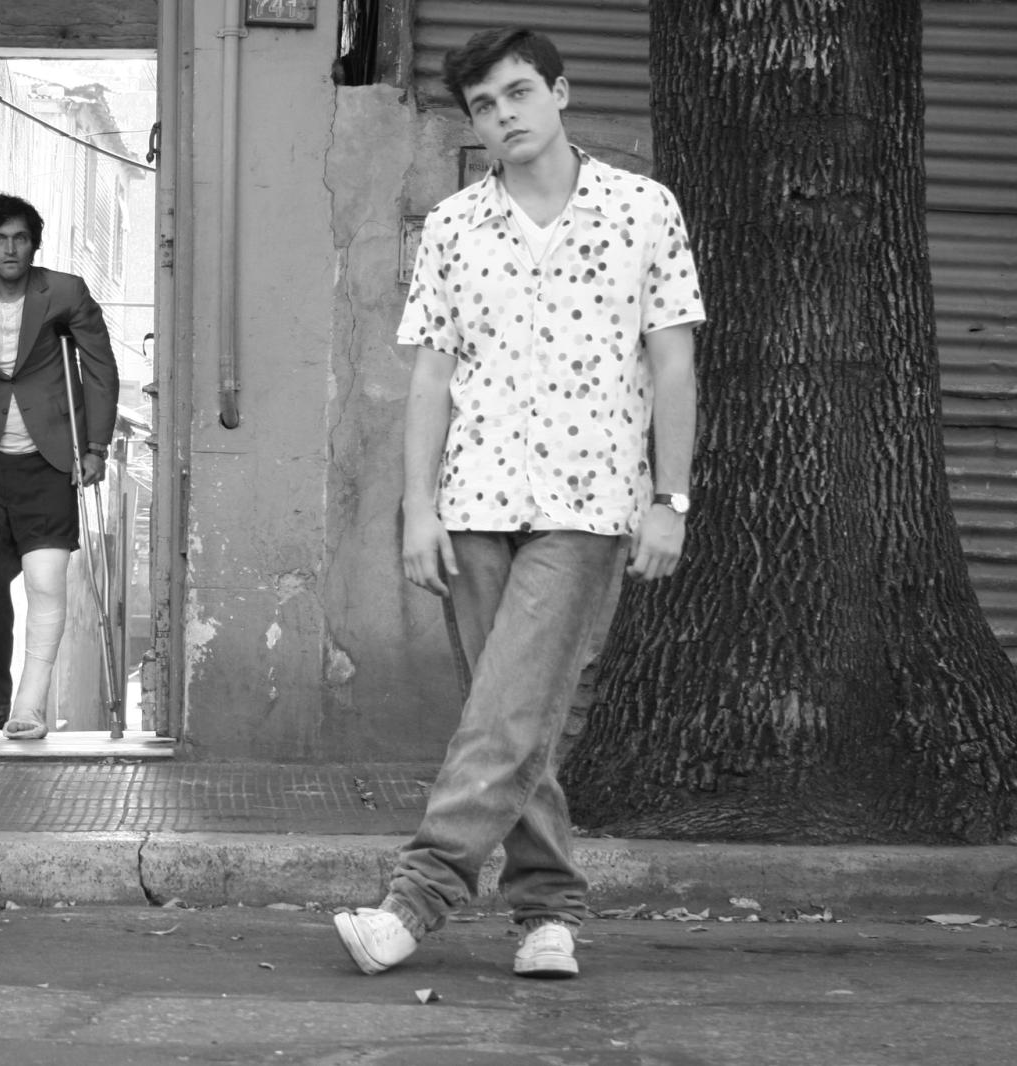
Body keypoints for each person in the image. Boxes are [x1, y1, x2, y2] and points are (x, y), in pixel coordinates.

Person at [334, 28, 705, 978]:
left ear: (560, 93)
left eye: (519, 93)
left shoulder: (644, 210)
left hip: (588, 502)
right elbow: (431, 379)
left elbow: (673, 365)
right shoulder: (454, 225)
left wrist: (670, 499)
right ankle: (547, 915)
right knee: (511, 712)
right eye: (485, 106)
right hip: (474, 499)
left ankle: (416, 900)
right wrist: (419, 510)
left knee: (509, 710)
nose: (505, 116)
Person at [0, 193, 120, 740]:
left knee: (44, 581)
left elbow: (100, 369)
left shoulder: (65, 292)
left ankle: (29, 707)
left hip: (51, 459)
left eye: (19, 239)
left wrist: (96, 448)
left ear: (34, 245)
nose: (10, 249)